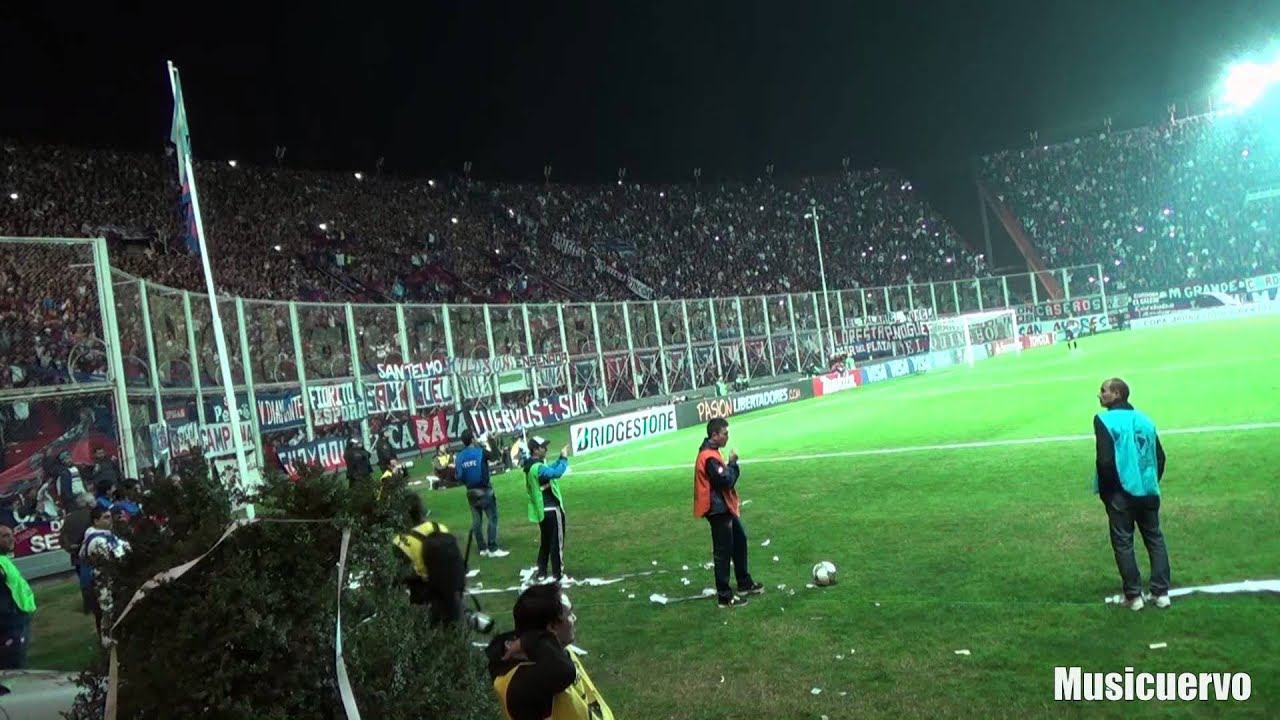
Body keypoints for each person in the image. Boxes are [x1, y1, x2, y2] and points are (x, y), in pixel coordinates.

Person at [1093, 378, 1170, 611]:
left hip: (1120, 493)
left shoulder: (1104, 420)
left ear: (1116, 394)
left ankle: (1134, 597)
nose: (1099, 395)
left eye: (1103, 391)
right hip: (1148, 492)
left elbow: (1105, 462)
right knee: (1154, 539)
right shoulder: (1146, 420)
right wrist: (1149, 482)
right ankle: (1161, 593)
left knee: (1123, 543)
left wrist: (1107, 494)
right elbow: (1160, 457)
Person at [486, 583, 614, 720]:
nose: (574, 618)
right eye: (570, 613)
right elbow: (564, 671)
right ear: (552, 627)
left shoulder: (555, 650)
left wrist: (530, 640)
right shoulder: (520, 682)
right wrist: (531, 640)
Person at [693, 418, 763, 608]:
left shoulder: (711, 453)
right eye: (724, 433)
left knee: (739, 540)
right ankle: (725, 596)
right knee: (723, 551)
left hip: (723, 507)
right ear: (714, 435)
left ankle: (744, 582)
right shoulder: (709, 457)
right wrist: (733, 464)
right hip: (717, 509)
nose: (727, 436)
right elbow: (725, 481)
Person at [392, 493, 467, 627]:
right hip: (451, 588)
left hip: (425, 594)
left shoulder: (401, 541)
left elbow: (400, 575)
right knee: (453, 630)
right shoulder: (439, 527)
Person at [523, 437, 570, 583]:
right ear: (536, 450)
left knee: (546, 542)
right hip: (551, 508)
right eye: (543, 447)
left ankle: (542, 572)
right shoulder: (538, 468)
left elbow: (550, 469)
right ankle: (558, 574)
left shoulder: (532, 466)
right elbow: (555, 473)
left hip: (542, 510)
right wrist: (564, 459)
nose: (546, 449)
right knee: (556, 542)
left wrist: (559, 459)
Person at [456, 429, 509, 558]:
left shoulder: (459, 456)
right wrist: (492, 441)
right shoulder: (480, 452)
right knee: (492, 517)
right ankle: (492, 547)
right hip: (485, 489)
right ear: (473, 439)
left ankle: (482, 548)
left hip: (470, 491)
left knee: (476, 520)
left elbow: (458, 476)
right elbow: (497, 457)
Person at [0, 524, 36, 669]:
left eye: (11, 534)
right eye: (5, 536)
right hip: (10, 623)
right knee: (13, 668)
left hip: (18, 617)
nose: (11, 539)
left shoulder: (3, 560)